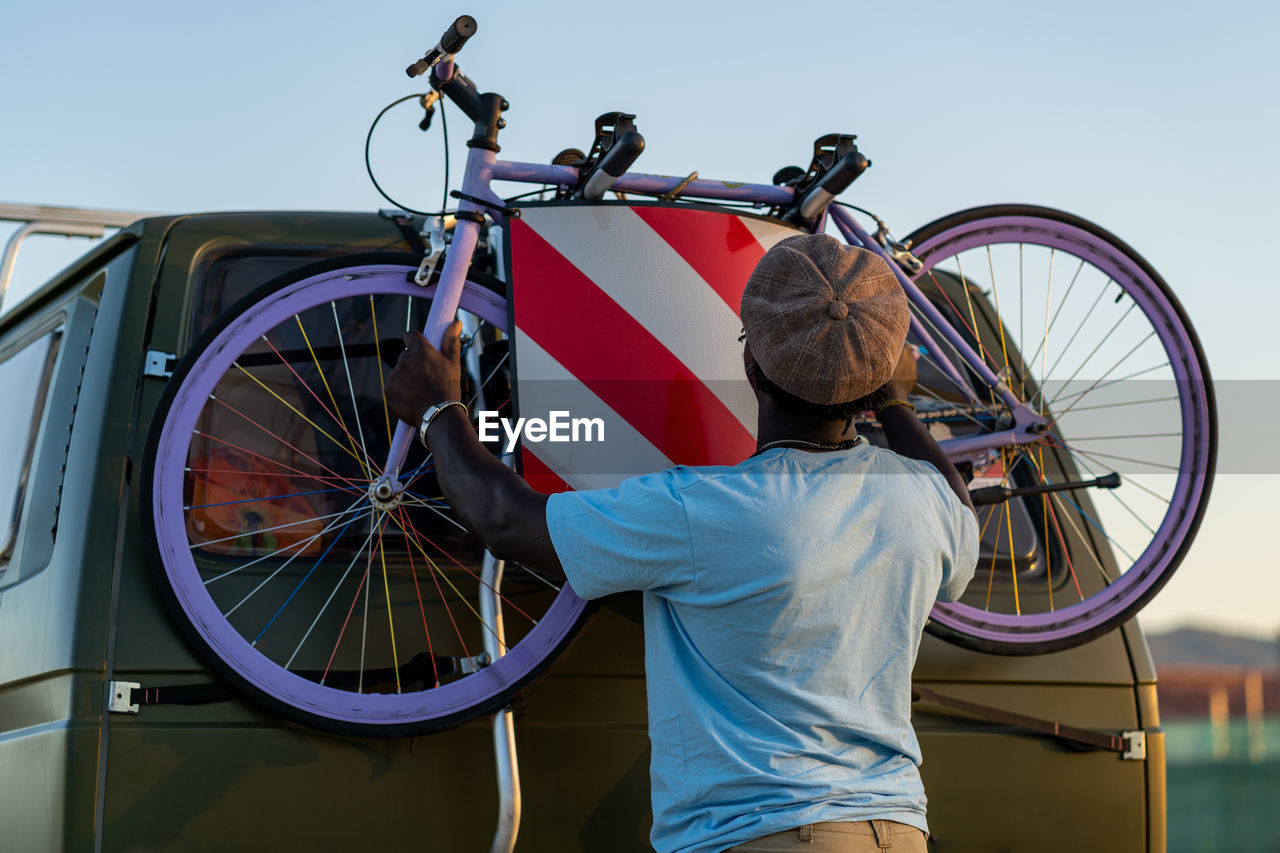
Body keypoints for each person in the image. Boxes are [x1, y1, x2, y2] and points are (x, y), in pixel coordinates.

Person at [385, 233, 979, 853]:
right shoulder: (923, 501)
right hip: (899, 831)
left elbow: (506, 522)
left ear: (751, 364)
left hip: (764, 835)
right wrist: (894, 397)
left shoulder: (705, 510)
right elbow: (958, 504)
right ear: (878, 380)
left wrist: (436, 411)